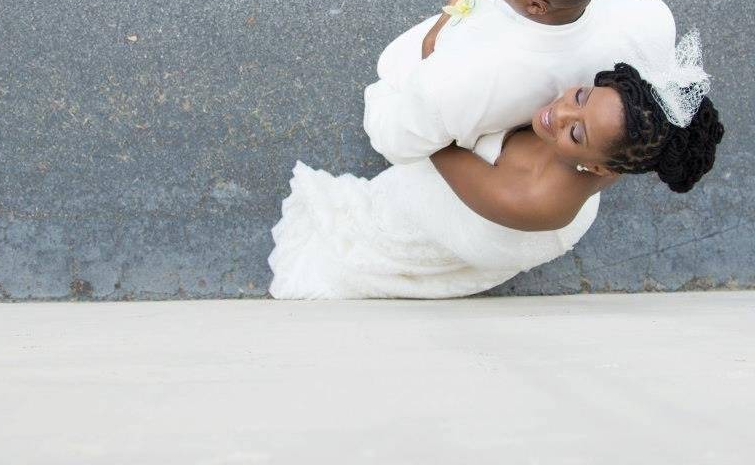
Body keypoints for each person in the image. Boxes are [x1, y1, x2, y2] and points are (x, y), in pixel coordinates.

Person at [268, 41, 724, 299]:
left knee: (374, 228)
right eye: (581, 97)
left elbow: (433, 144)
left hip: (499, 210)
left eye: (577, 134)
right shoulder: (615, 144)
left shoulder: (530, 198)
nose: (559, 114)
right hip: (515, 187)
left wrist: (434, 71)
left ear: (602, 167)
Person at [364, 0, 677, 163]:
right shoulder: (651, 17)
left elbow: (391, 141)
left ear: (536, 6)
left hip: (409, 99)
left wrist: (427, 54)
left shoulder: (452, 83)